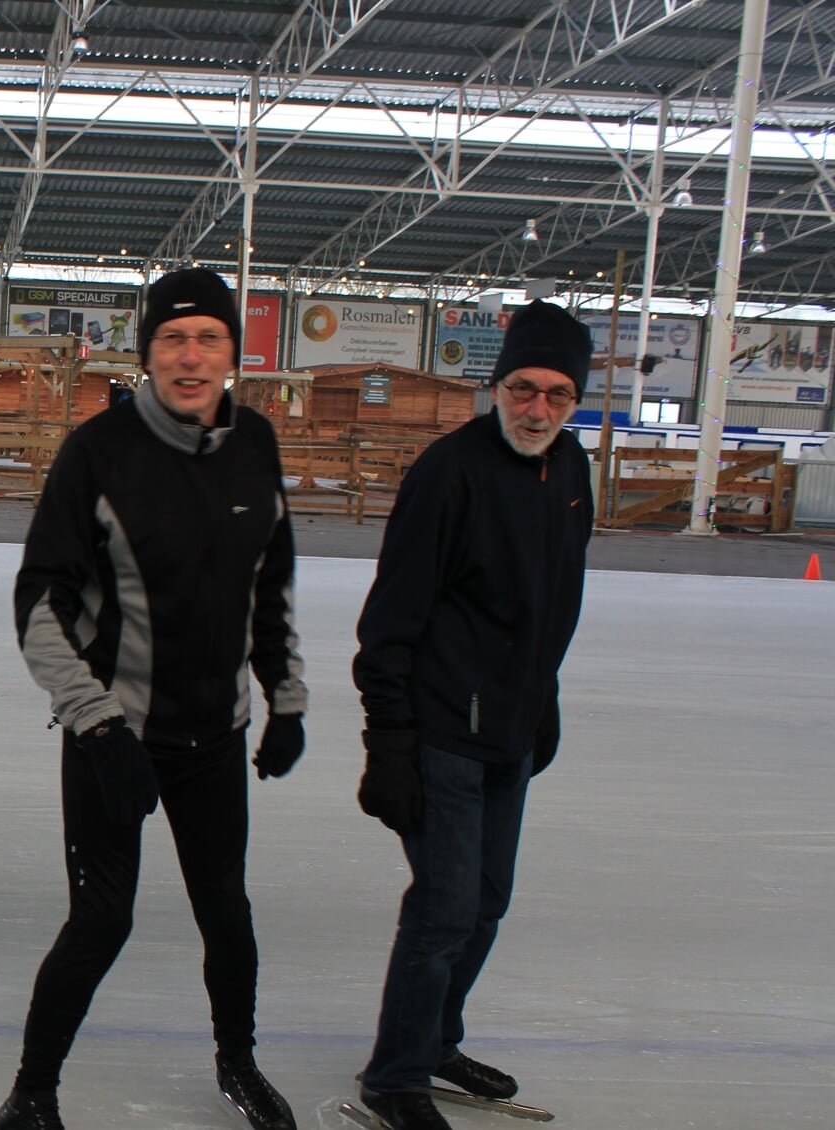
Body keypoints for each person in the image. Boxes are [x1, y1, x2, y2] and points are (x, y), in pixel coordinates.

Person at [0, 268, 308, 1130]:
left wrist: (286, 698)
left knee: (227, 913)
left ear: (234, 353)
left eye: (209, 338)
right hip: (115, 739)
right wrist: (98, 731)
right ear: (148, 354)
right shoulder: (99, 453)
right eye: (172, 338)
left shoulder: (256, 446)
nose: (191, 355)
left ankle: (238, 1062)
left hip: (214, 737)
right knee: (101, 919)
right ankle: (32, 1092)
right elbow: (38, 605)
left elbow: (270, 583)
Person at [351, 299, 595, 1130]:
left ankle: (435, 1039)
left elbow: (558, 597)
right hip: (443, 728)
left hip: (513, 731)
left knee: (488, 902)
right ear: (497, 387)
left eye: (559, 396)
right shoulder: (448, 473)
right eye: (524, 389)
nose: (539, 410)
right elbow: (390, 619)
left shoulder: (570, 470)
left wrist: (544, 696)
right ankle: (395, 1077)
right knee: (446, 906)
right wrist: (388, 739)